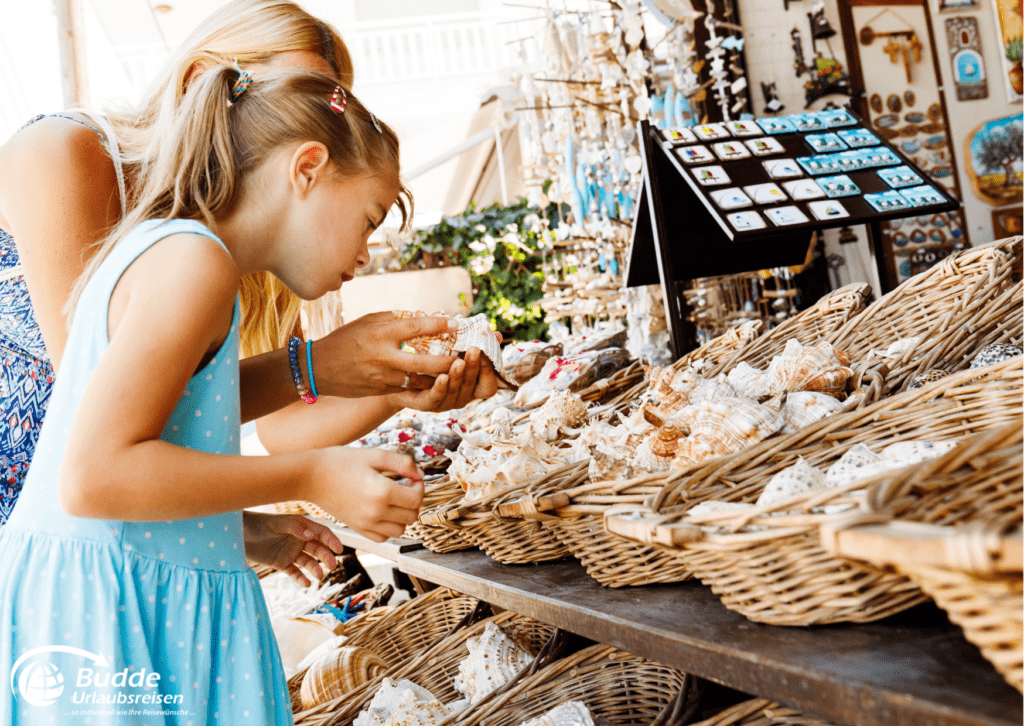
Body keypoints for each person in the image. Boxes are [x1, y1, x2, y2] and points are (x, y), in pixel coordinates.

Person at [0, 0, 497, 577]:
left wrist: (390, 387)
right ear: (200, 83)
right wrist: (254, 510)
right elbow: (94, 419)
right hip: (49, 543)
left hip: (112, 542)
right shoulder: (66, 155)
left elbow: (279, 427)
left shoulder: (247, 239)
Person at [0, 65, 422, 723]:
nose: (366, 253)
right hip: (117, 617)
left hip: (119, 600)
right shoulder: (195, 266)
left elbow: (178, 415)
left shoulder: (182, 254)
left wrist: (252, 527)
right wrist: (315, 471)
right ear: (306, 168)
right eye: (369, 219)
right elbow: (93, 476)